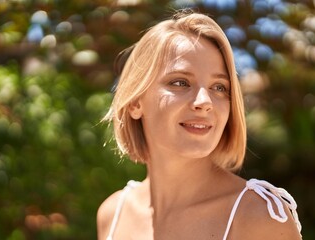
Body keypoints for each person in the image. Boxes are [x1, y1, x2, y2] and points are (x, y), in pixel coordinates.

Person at [97, 10, 302, 240]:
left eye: (219, 87)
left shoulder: (257, 216)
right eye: (180, 82)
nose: (205, 102)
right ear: (135, 102)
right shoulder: (113, 213)